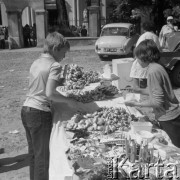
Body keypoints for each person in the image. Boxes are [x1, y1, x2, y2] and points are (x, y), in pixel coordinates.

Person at [21, 32, 77, 180]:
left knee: (34, 155)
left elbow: (39, 85)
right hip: (39, 112)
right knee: (43, 159)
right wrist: (68, 100)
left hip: (26, 110)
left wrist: (60, 81)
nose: (64, 57)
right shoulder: (54, 65)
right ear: (55, 48)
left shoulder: (37, 61)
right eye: (63, 53)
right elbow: (50, 93)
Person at [125, 39, 180, 148]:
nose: (137, 60)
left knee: (175, 148)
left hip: (168, 116)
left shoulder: (153, 71)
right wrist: (138, 90)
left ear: (144, 57)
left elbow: (157, 102)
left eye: (137, 58)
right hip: (170, 114)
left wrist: (136, 104)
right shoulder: (157, 67)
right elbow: (156, 91)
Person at [130, 22, 161, 89]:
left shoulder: (143, 36)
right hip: (152, 59)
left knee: (136, 72)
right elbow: (158, 48)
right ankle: (148, 88)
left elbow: (138, 48)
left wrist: (135, 57)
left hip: (142, 58)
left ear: (144, 29)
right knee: (148, 76)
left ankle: (137, 89)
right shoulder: (155, 36)